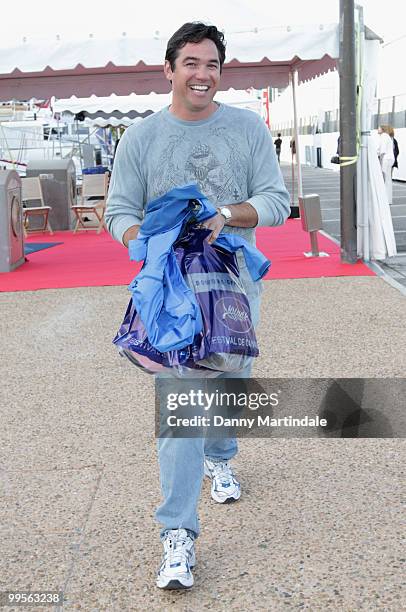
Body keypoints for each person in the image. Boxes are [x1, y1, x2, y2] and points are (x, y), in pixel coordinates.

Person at [105, 21, 290, 590]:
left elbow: (276, 201)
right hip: (170, 299)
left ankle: (222, 454)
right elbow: (118, 213)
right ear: (169, 70)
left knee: (229, 387)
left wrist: (225, 216)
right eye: (190, 63)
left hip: (234, 291)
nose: (202, 74)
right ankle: (177, 535)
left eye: (211, 64)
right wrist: (153, 236)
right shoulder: (141, 138)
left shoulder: (247, 129)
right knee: (182, 406)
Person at [377, 125, 395, 205]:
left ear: (383, 129)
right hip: (390, 158)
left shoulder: (384, 136)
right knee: (388, 179)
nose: (378, 129)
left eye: (379, 128)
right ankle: (388, 199)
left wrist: (380, 162)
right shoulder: (388, 137)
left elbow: (382, 151)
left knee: (384, 179)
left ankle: (385, 199)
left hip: (386, 159)